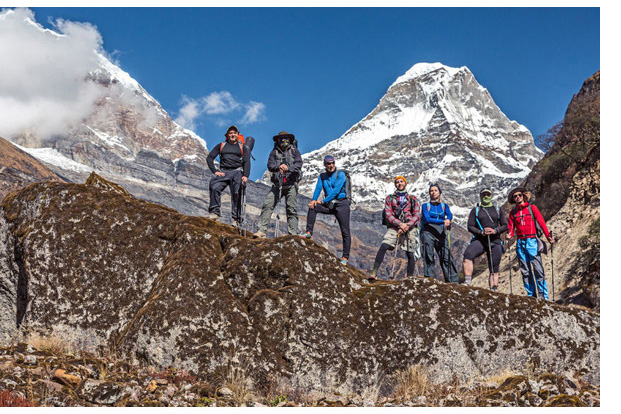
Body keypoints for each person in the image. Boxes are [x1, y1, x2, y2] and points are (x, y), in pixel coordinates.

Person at [368, 176, 421, 281]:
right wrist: (400, 224)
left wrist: (407, 225)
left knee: (410, 254)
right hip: (394, 227)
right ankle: (374, 271)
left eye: (401, 181)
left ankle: (409, 278)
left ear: (405, 184)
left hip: (409, 228)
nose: (399, 183)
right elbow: (388, 214)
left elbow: (417, 214)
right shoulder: (390, 198)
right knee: (384, 246)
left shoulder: (412, 198)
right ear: (395, 184)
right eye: (397, 182)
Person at [507, 187, 555, 300]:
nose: (517, 197)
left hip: (532, 241)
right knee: (525, 271)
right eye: (515, 196)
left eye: (519, 195)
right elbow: (511, 227)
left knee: (538, 269)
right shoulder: (513, 213)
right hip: (520, 243)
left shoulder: (532, 208)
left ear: (523, 196)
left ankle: (544, 297)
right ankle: (531, 296)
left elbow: (541, 222)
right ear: (513, 199)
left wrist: (548, 236)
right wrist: (509, 234)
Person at [254, 131, 303, 238]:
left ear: (289, 140)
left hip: (291, 185)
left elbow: (298, 164)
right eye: (281, 139)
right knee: (268, 205)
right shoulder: (274, 153)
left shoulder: (295, 152)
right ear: (277, 140)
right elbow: (270, 165)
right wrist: (278, 167)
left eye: (286, 138)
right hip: (277, 184)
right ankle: (261, 230)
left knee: (291, 209)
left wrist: (288, 168)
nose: (283, 140)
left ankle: (293, 233)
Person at [304, 155, 351, 265]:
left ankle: (345, 257)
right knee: (313, 207)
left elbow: (336, 191)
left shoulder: (340, 174)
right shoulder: (322, 176)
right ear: (325, 165)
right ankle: (308, 232)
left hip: (341, 204)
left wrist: (323, 201)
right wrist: (314, 200)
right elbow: (318, 188)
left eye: (332, 163)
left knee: (345, 232)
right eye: (328, 163)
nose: (331, 165)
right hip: (330, 204)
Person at [462, 188, 508, 289]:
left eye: (488, 194)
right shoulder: (476, 210)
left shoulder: (497, 209)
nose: (486, 196)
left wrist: (495, 230)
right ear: (480, 196)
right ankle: (467, 282)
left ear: (491, 196)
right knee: (468, 254)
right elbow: (470, 226)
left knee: (494, 266)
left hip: (495, 241)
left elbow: (505, 225)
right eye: (484, 194)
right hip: (480, 240)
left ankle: (493, 289)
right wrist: (481, 232)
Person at [206, 125, 251, 226]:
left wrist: (245, 175)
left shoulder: (243, 147)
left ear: (238, 134)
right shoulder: (221, 145)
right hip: (223, 171)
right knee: (215, 186)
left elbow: (247, 162)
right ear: (227, 135)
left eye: (234, 133)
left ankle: (236, 219)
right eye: (230, 133)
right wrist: (215, 171)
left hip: (237, 172)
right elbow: (210, 158)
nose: (232, 134)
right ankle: (215, 213)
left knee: (237, 193)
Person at [420, 184, 458, 282]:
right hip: (428, 232)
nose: (433, 192)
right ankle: (430, 280)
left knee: (446, 256)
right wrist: (443, 221)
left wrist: (448, 219)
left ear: (439, 192)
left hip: (441, 233)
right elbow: (427, 219)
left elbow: (449, 215)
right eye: (431, 191)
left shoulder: (444, 206)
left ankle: (453, 281)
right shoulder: (425, 206)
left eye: (435, 190)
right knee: (428, 256)